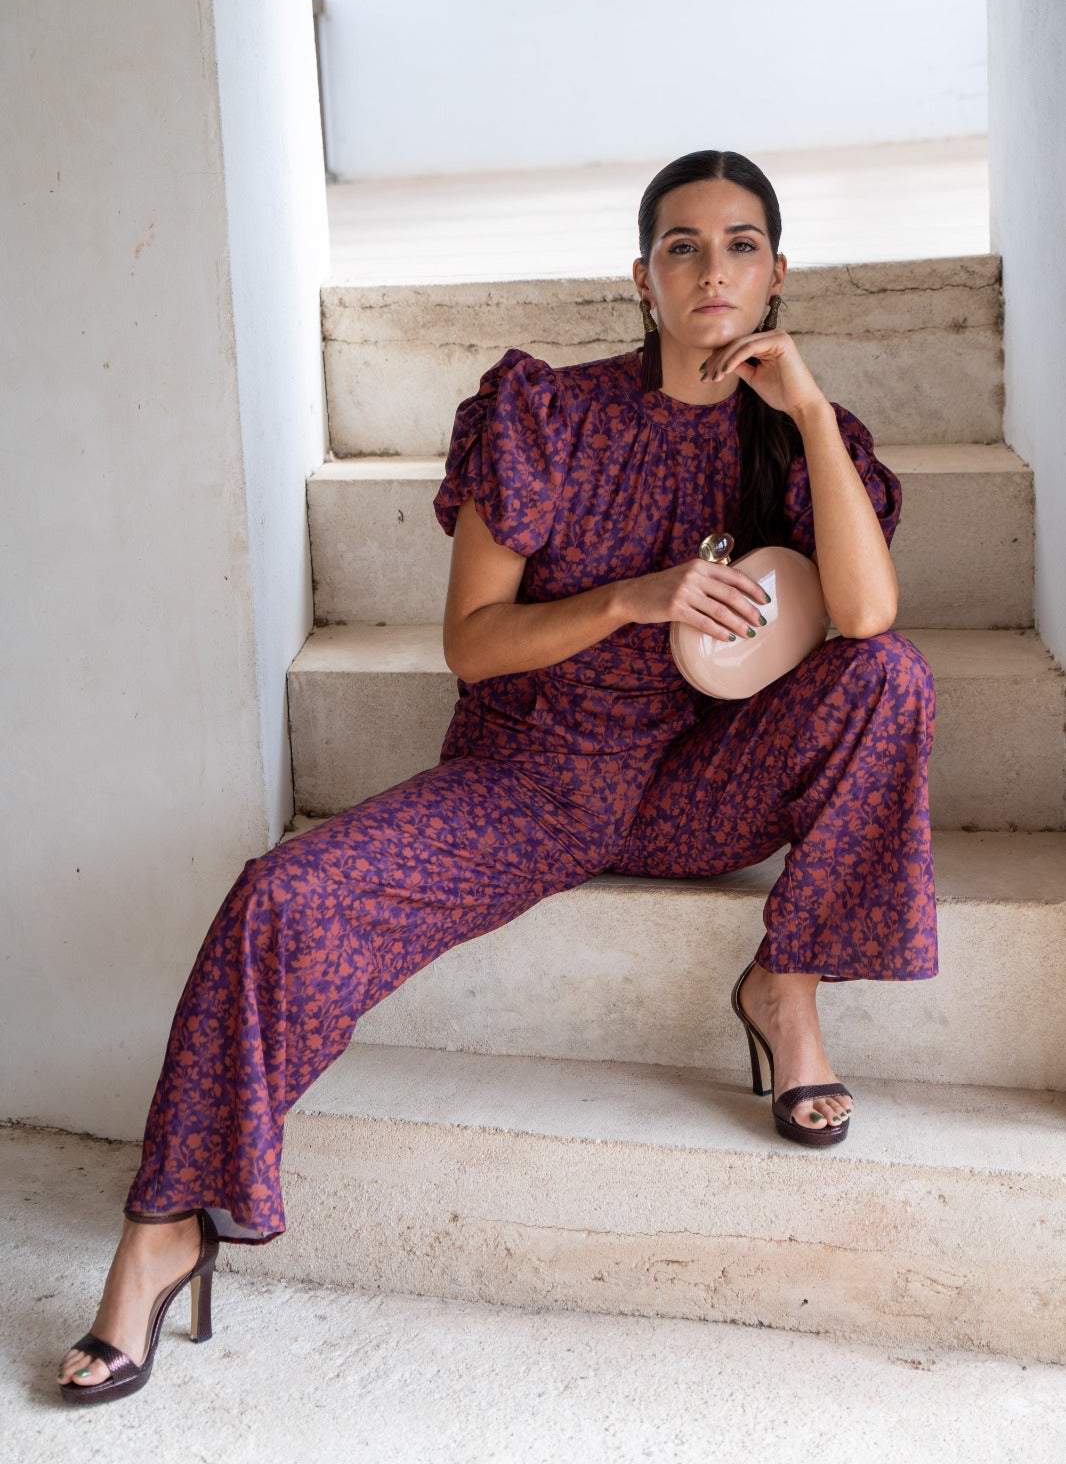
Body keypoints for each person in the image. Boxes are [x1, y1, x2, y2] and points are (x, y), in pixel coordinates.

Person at [58, 150, 936, 1403]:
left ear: (778, 272)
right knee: (278, 896)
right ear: (640, 276)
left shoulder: (803, 439)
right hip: (531, 781)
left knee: (889, 676)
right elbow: (471, 643)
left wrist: (805, 412)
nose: (713, 270)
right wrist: (630, 597)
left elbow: (863, 613)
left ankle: (782, 990)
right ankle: (164, 1230)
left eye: (742, 244)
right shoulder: (549, 413)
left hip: (697, 787)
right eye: (682, 246)